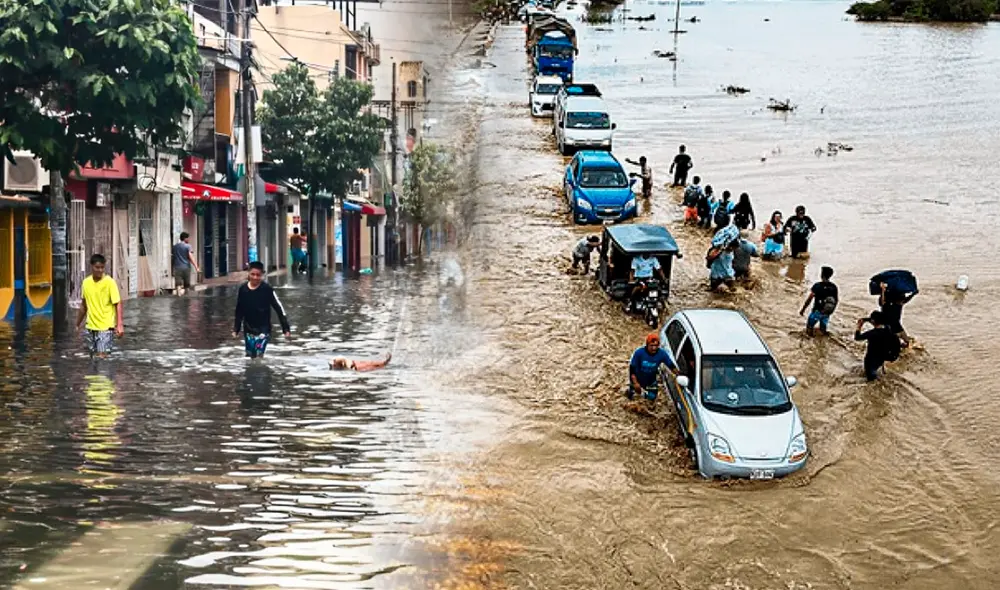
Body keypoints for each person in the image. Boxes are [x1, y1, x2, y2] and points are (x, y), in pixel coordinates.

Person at [233, 261, 292, 359]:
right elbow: (239, 310)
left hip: (263, 329)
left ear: (262, 275)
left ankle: (261, 373)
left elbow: (278, 308)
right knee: (250, 355)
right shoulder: (243, 289)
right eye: (253, 274)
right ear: (248, 273)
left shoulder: (267, 289)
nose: (255, 277)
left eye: (258, 275)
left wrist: (285, 328)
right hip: (248, 328)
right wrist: (236, 329)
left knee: (259, 354)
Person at [77, 254, 124, 358]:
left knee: (101, 357)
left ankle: (104, 373)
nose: (100, 270)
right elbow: (83, 306)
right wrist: (77, 324)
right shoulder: (86, 283)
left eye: (102, 267)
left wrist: (119, 324)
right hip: (90, 327)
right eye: (97, 267)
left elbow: (118, 303)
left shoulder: (110, 282)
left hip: (106, 327)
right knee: (93, 357)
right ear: (91, 266)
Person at [628, 333, 679, 400]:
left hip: (651, 381)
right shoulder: (639, 353)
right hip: (638, 379)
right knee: (632, 397)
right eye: (651, 345)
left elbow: (671, 366)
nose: (654, 348)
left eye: (656, 346)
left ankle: (645, 397)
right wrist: (635, 383)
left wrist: (679, 374)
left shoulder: (662, 354)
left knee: (652, 397)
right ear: (647, 345)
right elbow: (632, 368)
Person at [854, 311, 901, 381]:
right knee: (878, 374)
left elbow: (857, 338)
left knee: (871, 378)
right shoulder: (888, 330)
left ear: (873, 321)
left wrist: (859, 327)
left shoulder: (872, 333)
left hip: (871, 359)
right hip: (882, 357)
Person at [800, 266, 839, 336]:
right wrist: (830, 311)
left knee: (809, 329)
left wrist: (803, 309)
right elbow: (836, 300)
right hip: (826, 313)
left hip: (816, 311)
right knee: (822, 331)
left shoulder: (817, 286)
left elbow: (809, 299)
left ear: (822, 275)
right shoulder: (834, 287)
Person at [879, 282, 915, 348]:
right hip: (890, 330)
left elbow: (906, 300)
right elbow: (882, 301)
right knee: (893, 346)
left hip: (898, 328)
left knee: (907, 343)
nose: (902, 301)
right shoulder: (887, 305)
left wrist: (913, 294)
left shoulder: (899, 304)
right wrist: (883, 291)